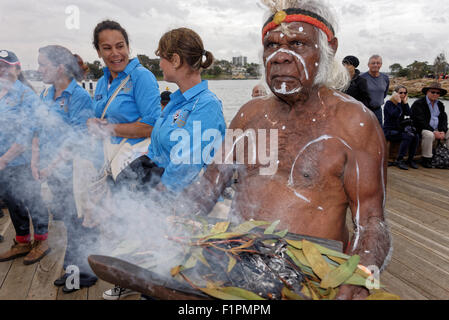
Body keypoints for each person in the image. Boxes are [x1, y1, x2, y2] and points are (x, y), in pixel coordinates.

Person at [175, 0, 391, 300]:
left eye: (298, 43)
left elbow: (370, 220)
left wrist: (362, 273)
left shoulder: (354, 123)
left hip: (311, 280)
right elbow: (208, 186)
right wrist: (166, 218)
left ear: (328, 48)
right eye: (271, 45)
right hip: (234, 267)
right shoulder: (249, 115)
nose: (280, 57)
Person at [102, 27, 226, 300]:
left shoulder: (205, 105)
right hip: (159, 199)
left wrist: (160, 193)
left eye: (161, 57)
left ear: (177, 60)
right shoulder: (177, 101)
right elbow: (159, 149)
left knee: (174, 278)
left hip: (180, 204)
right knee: (156, 271)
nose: (158, 63)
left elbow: (190, 163)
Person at [33, 45, 99, 293]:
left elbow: (76, 140)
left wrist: (49, 166)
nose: (39, 70)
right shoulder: (44, 95)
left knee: (80, 222)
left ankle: (86, 273)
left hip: (74, 171)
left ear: (59, 67)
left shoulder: (79, 97)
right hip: (54, 172)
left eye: (42, 64)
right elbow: (37, 129)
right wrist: (35, 159)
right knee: (68, 223)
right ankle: (73, 268)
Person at [86, 20, 161, 191]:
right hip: (111, 162)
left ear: (128, 47)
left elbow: (152, 126)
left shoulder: (142, 77)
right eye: (107, 48)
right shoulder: (101, 82)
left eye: (120, 46)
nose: (115, 53)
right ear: (98, 51)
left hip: (137, 165)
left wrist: (109, 128)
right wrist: (94, 124)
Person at [0, 50, 51, 265]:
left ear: (17, 69)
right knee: (12, 201)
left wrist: (5, 158)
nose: (1, 70)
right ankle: (22, 240)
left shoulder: (26, 95)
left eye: (6, 66)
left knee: (32, 199)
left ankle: (42, 241)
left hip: (22, 160)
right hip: (3, 161)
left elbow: (28, 131)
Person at [411, 82, 449, 168]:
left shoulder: (440, 104)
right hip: (422, 129)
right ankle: (426, 159)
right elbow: (420, 121)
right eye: (433, 92)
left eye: (437, 93)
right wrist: (433, 131)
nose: (435, 94)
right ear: (427, 92)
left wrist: (442, 131)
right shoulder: (419, 103)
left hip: (437, 129)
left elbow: (443, 119)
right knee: (429, 134)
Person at [383, 85, 419, 170]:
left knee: (416, 136)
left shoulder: (403, 104)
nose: (403, 94)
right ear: (395, 93)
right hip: (389, 131)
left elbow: (409, 113)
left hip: (399, 129)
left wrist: (405, 103)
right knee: (407, 136)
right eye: (400, 93)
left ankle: (410, 159)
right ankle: (400, 160)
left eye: (405, 93)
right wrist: (399, 103)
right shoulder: (389, 103)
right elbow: (395, 114)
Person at [360, 55, 390, 125]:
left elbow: (384, 93)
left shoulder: (385, 78)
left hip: (378, 111)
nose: (376, 65)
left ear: (381, 65)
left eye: (378, 63)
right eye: (373, 63)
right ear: (368, 65)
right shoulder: (362, 78)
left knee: (379, 133)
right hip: (364, 110)